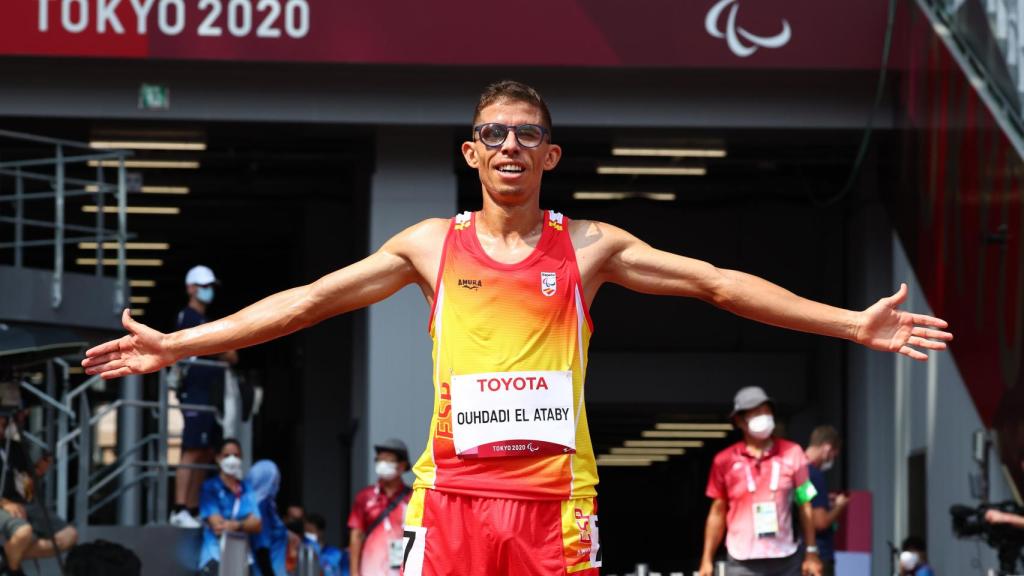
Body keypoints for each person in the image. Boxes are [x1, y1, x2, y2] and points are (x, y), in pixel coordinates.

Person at [82, 80, 953, 575]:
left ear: (549, 155)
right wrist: (179, 343)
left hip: (554, 504)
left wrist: (850, 324)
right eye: (491, 133)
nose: (507, 146)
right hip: (451, 498)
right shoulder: (430, 245)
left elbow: (718, 284)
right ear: (470, 153)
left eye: (524, 135)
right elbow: (308, 299)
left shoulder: (589, 245)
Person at [700, 387, 821, 576]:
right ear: (740, 420)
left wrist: (812, 552)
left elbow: (805, 503)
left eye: (767, 411)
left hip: (785, 557)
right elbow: (718, 510)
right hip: (742, 559)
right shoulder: (724, 460)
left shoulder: (793, 453)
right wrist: (707, 558)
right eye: (756, 413)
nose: (764, 417)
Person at [171, 265, 239, 528]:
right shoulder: (187, 317)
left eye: (211, 286)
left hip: (208, 394)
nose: (208, 291)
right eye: (203, 285)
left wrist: (223, 348)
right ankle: (179, 509)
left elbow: (232, 353)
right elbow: (226, 350)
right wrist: (222, 348)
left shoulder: (203, 320)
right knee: (191, 450)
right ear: (190, 288)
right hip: (194, 392)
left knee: (204, 451)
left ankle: (193, 507)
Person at [0, 414, 78, 576]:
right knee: (23, 533)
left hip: (23, 504)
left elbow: (26, 487)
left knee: (69, 536)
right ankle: (14, 570)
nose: (3, 428)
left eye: (5, 423)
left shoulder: (14, 447)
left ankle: (7, 555)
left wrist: (38, 472)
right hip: (5, 506)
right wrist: (4, 503)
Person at [347, 439, 412, 576]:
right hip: (371, 567)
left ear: (402, 465)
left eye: (388, 460)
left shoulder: (413, 497)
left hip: (405, 569)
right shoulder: (365, 497)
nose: (382, 464)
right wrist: (354, 572)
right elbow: (356, 536)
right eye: (379, 459)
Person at [198, 438, 261, 573]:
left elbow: (257, 523)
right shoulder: (209, 487)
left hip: (241, 559)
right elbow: (218, 526)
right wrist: (244, 524)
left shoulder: (246, 488)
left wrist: (235, 525)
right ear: (218, 458)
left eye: (236, 455)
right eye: (227, 456)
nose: (232, 460)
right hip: (215, 557)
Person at [803, 425, 849, 576]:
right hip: (818, 555)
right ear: (827, 448)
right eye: (833, 455)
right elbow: (820, 522)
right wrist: (839, 506)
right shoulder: (815, 475)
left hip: (798, 554)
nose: (832, 460)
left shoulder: (797, 469)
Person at [246, 459, 287, 576]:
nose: (277, 482)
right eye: (275, 478)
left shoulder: (256, 504)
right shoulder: (262, 506)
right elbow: (262, 548)